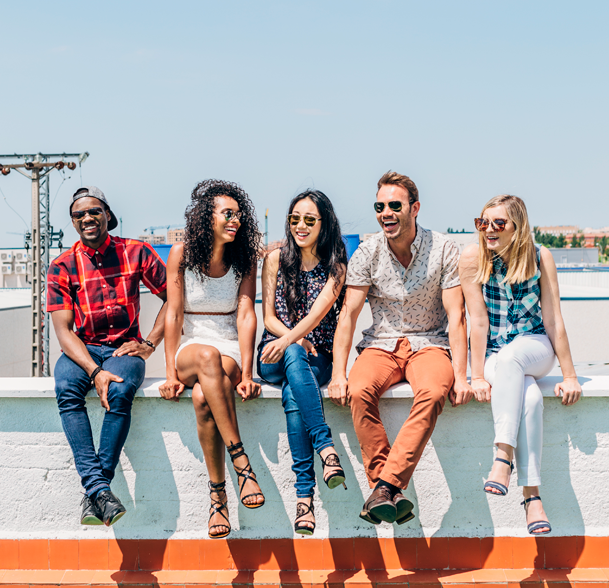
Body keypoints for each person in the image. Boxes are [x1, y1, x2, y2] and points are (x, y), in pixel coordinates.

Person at [328, 170, 473, 525]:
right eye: (380, 206)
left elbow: (457, 317)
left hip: (430, 342)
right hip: (381, 343)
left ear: (415, 208)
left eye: (395, 205)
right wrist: (337, 373)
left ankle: (383, 487)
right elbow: (348, 315)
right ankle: (389, 490)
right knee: (359, 390)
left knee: (434, 391)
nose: (386, 213)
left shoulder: (444, 249)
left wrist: (463, 375)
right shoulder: (367, 252)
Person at [459, 195, 581, 534]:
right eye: (483, 222)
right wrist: (478, 375)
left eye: (499, 223)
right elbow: (478, 322)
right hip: (496, 353)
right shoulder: (472, 258)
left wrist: (569, 375)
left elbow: (554, 319)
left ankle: (502, 457)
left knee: (516, 358)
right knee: (529, 398)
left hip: (535, 346)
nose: (489, 230)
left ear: (518, 227)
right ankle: (532, 498)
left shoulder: (541, 256)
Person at [48, 186, 168, 526]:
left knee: (118, 392)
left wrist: (149, 343)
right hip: (80, 348)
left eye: (94, 211)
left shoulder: (137, 252)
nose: (87, 218)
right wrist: (92, 369)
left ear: (107, 215)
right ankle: (100, 489)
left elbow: (174, 297)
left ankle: (94, 491)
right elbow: (63, 331)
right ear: (73, 222)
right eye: (79, 215)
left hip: (123, 347)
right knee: (67, 390)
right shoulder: (62, 266)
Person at [159, 180, 263, 539]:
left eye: (238, 215)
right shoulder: (181, 255)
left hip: (229, 346)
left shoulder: (244, 259)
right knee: (206, 356)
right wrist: (170, 372)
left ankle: (218, 496)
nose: (234, 221)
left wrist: (247, 372)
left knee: (204, 397)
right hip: (192, 345)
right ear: (207, 218)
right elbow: (173, 314)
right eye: (227, 214)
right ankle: (242, 463)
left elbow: (247, 314)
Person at [258, 190, 348, 535]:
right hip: (273, 354)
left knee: (293, 394)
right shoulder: (275, 259)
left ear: (324, 224)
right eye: (295, 218)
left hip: (317, 357)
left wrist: (294, 339)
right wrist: (290, 339)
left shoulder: (336, 268)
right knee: (294, 353)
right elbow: (268, 317)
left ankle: (304, 498)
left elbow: (317, 314)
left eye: (310, 219)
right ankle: (326, 448)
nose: (301, 225)